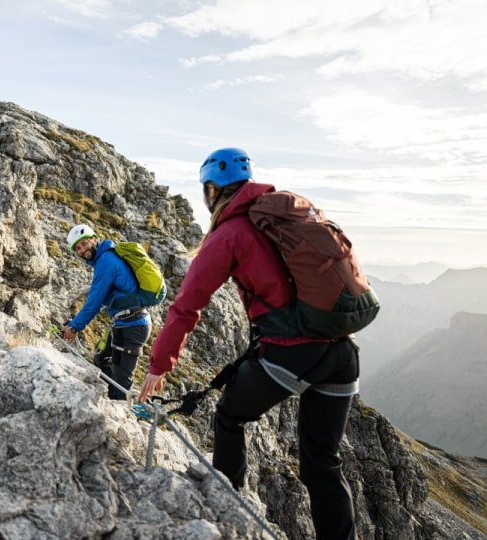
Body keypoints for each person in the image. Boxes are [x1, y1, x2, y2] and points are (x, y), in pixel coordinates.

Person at [137, 148, 359, 540]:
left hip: (293, 352)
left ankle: (228, 509)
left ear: (211, 189)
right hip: (343, 349)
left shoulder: (230, 233)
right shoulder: (285, 217)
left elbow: (187, 306)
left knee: (230, 417)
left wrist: (159, 364)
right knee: (323, 462)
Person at [61, 223, 151, 400]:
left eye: (84, 243)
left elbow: (94, 300)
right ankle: (111, 399)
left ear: (95, 239)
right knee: (102, 358)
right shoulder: (106, 259)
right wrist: (73, 323)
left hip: (132, 326)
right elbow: (106, 297)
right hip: (125, 322)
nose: (82, 250)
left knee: (122, 382)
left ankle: (121, 412)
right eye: (77, 248)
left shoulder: (105, 262)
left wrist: (74, 328)